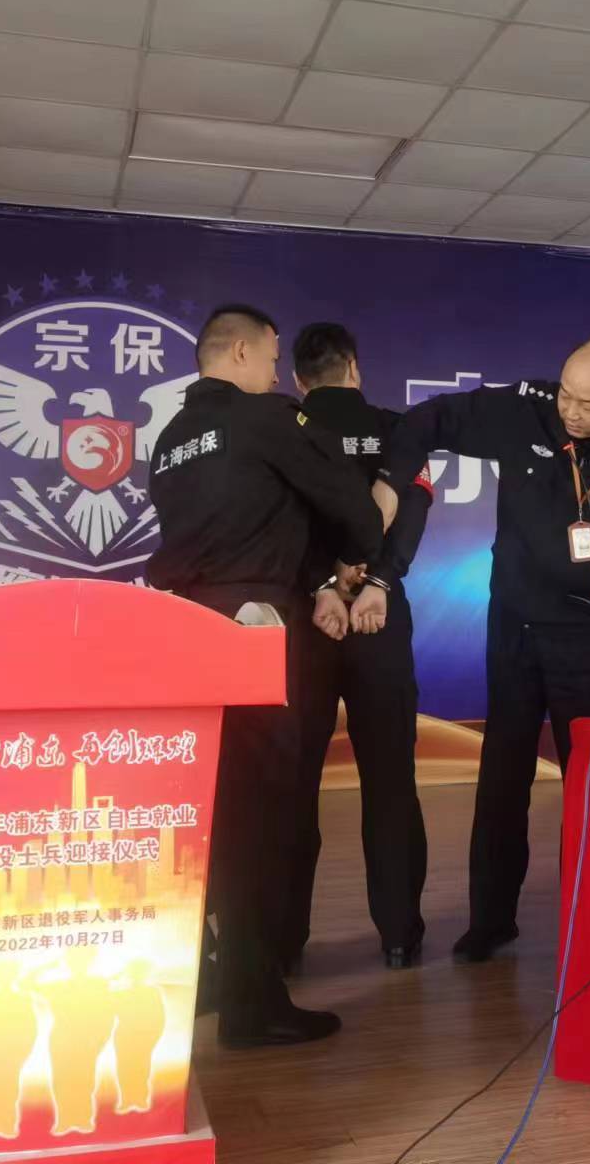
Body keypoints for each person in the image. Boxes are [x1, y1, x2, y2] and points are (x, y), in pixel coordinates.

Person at [375, 338, 590, 962]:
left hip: (587, 639)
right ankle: (491, 921)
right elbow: (433, 419)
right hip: (514, 629)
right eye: (567, 394)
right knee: (501, 779)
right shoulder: (527, 409)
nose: (570, 410)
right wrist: (389, 479)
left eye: (588, 405)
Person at [148, 304, 385, 1046]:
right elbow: (352, 510)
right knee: (262, 814)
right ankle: (252, 1005)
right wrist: (351, 552)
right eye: (274, 359)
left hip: (182, 632)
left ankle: (207, 974)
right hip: (255, 630)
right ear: (244, 353)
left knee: (209, 811)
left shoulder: (171, 439)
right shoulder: (266, 419)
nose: (280, 374)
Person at [287, 322, 434, 971]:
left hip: (308, 620)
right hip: (380, 616)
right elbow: (413, 511)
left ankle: (281, 942)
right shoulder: (399, 430)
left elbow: (282, 521)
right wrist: (377, 581)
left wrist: (325, 582)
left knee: (292, 785)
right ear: (354, 367)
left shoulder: (283, 428)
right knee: (391, 778)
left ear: (298, 378)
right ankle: (399, 936)